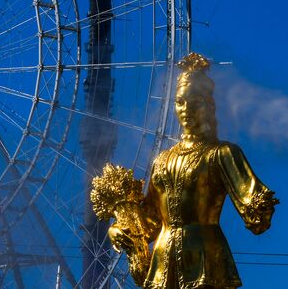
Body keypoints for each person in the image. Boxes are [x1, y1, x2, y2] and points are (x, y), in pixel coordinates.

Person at [108, 52, 278, 289]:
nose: (186, 109)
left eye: (194, 101)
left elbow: (254, 205)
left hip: (205, 259)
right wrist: (119, 229)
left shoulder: (221, 154)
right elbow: (151, 219)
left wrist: (259, 208)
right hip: (163, 260)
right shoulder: (162, 161)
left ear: (208, 105)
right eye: (180, 102)